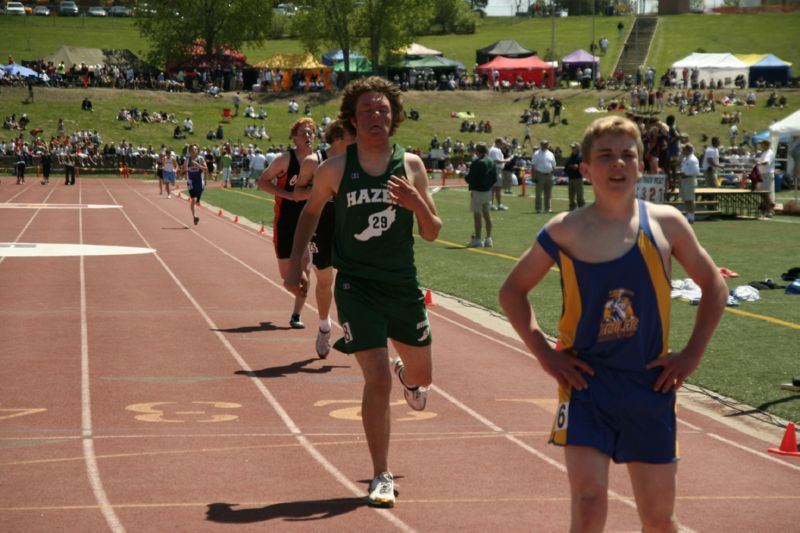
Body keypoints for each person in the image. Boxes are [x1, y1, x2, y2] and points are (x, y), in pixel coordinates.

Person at [499, 115, 727, 533]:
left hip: (650, 386)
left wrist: (691, 355)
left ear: (643, 165)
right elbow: (512, 292)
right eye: (605, 156)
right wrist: (545, 355)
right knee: (587, 506)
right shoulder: (564, 230)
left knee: (658, 520)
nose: (617, 164)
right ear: (585, 169)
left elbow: (714, 286)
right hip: (586, 386)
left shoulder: (666, 223)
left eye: (627, 155)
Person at [283, 77, 441, 508]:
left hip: (402, 285)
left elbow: (432, 232)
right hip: (356, 286)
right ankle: (381, 474)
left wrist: (416, 204)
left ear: (395, 117)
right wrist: (298, 261)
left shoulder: (410, 165)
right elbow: (310, 213)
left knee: (423, 377)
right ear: (353, 119)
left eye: (384, 110)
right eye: (368, 110)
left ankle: (409, 376)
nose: (377, 116)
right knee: (375, 378)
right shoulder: (336, 168)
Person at [290, 119, 355, 358]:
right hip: (322, 225)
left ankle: (352, 330)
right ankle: (324, 327)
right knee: (326, 281)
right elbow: (297, 194)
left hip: (348, 225)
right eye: (353, 135)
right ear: (339, 136)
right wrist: (324, 188)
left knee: (353, 280)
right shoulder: (313, 161)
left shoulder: (356, 161)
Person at [257, 118, 318, 329]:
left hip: (309, 222)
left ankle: (296, 315)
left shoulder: (319, 162)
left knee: (305, 272)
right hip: (285, 222)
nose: (308, 136)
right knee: (287, 276)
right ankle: (297, 287)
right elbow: (262, 181)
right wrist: (288, 195)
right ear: (295, 137)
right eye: (304, 132)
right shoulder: (284, 160)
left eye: (311, 132)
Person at [465, 142, 496, 248]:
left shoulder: (477, 162)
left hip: (478, 190)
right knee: (487, 214)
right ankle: (488, 238)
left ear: (477, 151)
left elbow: (470, 178)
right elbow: (494, 178)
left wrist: (465, 175)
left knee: (477, 215)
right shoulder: (491, 161)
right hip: (488, 191)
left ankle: (478, 239)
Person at [183, 145, 207, 225]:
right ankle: (194, 216)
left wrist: (197, 164)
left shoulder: (200, 159)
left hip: (199, 182)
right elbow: (184, 170)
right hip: (191, 182)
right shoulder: (187, 159)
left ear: (197, 151)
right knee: (193, 199)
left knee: (197, 199)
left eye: (195, 149)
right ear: (189, 151)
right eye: (192, 149)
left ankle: (198, 201)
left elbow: (206, 169)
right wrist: (183, 171)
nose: (194, 150)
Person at [531, 139, 557, 213]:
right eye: (543, 144)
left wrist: (553, 174)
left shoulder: (550, 154)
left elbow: (554, 165)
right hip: (539, 174)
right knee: (538, 193)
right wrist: (533, 176)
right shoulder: (536, 154)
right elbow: (533, 166)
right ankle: (538, 208)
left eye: (546, 144)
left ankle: (547, 208)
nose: (545, 145)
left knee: (548, 193)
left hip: (549, 175)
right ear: (541, 145)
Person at [679, 143, 700, 224]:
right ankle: (688, 215)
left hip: (689, 180)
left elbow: (696, 171)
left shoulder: (693, 159)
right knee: (686, 199)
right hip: (683, 180)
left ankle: (691, 217)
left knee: (690, 199)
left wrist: (686, 174)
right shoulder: (685, 159)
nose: (682, 151)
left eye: (684, 149)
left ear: (688, 150)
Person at [755, 139, 775, 217]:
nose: (761, 145)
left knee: (766, 193)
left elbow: (766, 162)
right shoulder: (764, 152)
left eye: (762, 144)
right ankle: (765, 207)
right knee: (761, 192)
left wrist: (759, 163)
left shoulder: (769, 153)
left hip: (766, 175)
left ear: (766, 145)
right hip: (763, 175)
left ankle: (770, 210)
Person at [488, 137, 508, 210]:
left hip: (497, 170)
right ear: (498, 142)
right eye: (502, 143)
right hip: (496, 170)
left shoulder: (497, 149)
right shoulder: (494, 150)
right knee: (495, 188)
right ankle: (495, 204)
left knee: (495, 188)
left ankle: (493, 204)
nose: (503, 144)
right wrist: (506, 161)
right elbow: (496, 160)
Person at [565, 142, 585, 211]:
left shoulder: (581, 157)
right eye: (572, 148)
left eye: (574, 147)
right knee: (571, 195)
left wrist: (578, 166)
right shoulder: (570, 157)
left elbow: (584, 166)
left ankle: (581, 208)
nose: (572, 149)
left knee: (579, 195)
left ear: (578, 148)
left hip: (578, 178)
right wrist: (570, 167)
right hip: (571, 178)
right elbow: (566, 167)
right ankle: (572, 208)